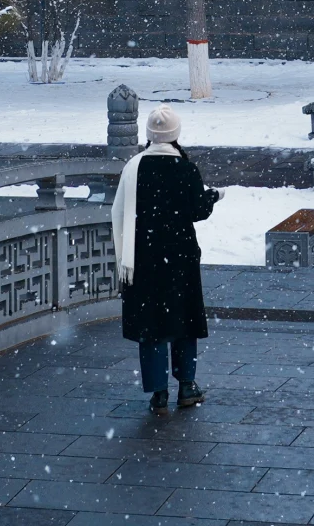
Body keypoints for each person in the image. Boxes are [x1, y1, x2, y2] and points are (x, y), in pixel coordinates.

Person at [111, 103, 221, 416]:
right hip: (179, 255)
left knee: (151, 323)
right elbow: (197, 211)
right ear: (176, 134)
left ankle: (158, 392)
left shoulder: (134, 168)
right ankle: (186, 385)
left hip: (143, 255)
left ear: (149, 134)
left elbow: (119, 210)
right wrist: (212, 196)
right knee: (183, 319)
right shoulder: (185, 168)